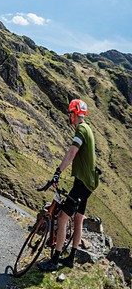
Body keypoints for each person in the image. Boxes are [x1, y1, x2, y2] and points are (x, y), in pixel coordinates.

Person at [38, 99, 100, 271]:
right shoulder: (88, 129)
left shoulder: (81, 129)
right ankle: (71, 258)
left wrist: (58, 171)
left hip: (82, 183)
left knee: (62, 218)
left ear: (74, 113)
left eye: (70, 113)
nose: (69, 117)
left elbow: (72, 151)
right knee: (78, 219)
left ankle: (55, 261)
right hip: (89, 182)